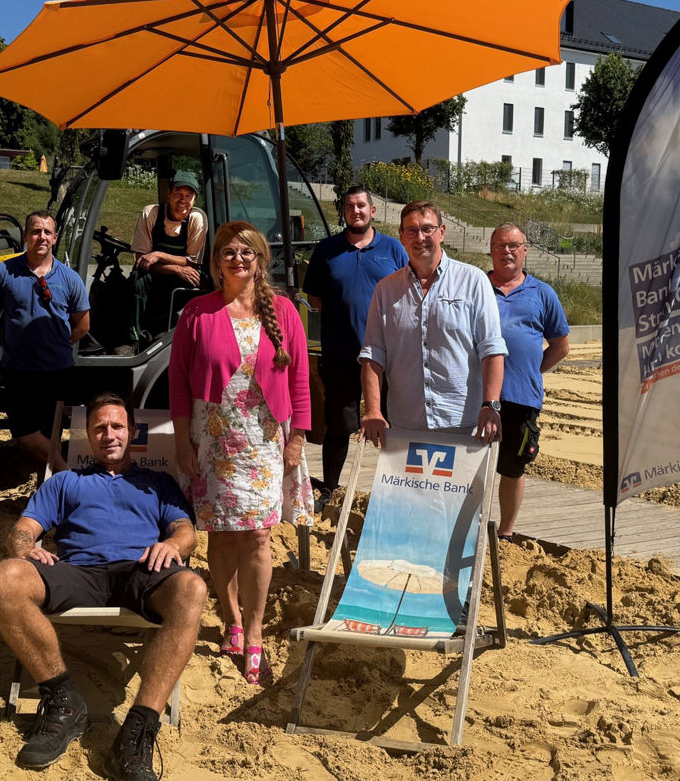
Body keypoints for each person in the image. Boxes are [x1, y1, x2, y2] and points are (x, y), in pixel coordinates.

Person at [0, 391, 206, 779]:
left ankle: (138, 731)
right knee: (3, 578)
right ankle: (63, 701)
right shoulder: (66, 482)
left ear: (133, 432)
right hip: (78, 571)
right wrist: (26, 548)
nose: (109, 434)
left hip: (140, 570)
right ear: (88, 435)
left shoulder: (158, 483)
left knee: (192, 588)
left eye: (117, 426)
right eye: (99, 428)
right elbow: (22, 531)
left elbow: (186, 532)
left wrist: (171, 545)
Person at [170, 221, 312, 685]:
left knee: (258, 537)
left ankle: (254, 635)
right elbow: (178, 381)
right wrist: (181, 440)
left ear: (259, 260)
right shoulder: (197, 312)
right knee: (221, 536)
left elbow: (300, 379)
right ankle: (230, 618)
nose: (237, 259)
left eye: (246, 252)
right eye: (228, 253)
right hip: (212, 436)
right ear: (216, 262)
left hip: (266, 439)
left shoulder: (285, 310)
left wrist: (298, 436)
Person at [359, 201, 507, 446]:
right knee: (407, 487)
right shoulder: (385, 290)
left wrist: (491, 405)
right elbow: (373, 355)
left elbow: (491, 348)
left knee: (461, 487)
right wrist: (373, 410)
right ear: (402, 236)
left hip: (462, 425)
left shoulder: (473, 281)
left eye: (428, 229)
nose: (420, 237)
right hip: (405, 425)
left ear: (442, 232)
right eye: (412, 231)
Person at [302, 185, 408, 495]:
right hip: (340, 355)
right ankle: (330, 488)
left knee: (394, 425)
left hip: (388, 356)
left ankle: (398, 490)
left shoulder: (393, 250)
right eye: (350, 206)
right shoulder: (326, 250)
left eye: (361, 205)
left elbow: (407, 295)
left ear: (372, 211)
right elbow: (315, 299)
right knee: (338, 426)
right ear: (344, 213)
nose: (356, 211)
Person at [0, 211, 90, 472]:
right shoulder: (3, 273)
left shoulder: (69, 278)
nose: (41, 237)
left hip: (57, 370)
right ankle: (66, 473)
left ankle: (50, 483)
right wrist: (10, 343)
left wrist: (58, 343)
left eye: (46, 232)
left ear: (54, 238)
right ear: (25, 236)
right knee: (24, 433)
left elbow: (83, 325)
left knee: (50, 432)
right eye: (35, 231)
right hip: (19, 370)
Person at [488, 223, 569, 540]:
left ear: (524, 250)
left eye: (513, 245)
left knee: (512, 467)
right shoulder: (477, 286)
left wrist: (532, 371)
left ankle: (506, 533)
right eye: (499, 245)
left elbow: (561, 346)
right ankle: (467, 526)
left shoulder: (542, 293)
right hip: (477, 397)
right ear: (491, 251)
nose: (506, 251)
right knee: (471, 467)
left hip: (521, 399)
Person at [129, 169, 207, 344]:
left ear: (194, 199)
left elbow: (193, 262)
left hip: (183, 274)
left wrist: (158, 254)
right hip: (160, 272)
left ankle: (176, 334)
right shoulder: (151, 213)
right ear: (169, 193)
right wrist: (177, 268)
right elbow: (141, 260)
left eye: (188, 196)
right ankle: (133, 338)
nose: (183, 200)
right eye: (178, 193)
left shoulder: (197, 219)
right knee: (137, 278)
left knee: (196, 281)